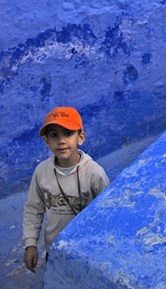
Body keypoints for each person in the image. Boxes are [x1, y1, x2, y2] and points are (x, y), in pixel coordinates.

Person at [22, 106, 109, 272]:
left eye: (68, 133)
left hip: (88, 250)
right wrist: (30, 244)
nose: (61, 141)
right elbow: (33, 209)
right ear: (46, 141)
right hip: (55, 249)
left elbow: (107, 211)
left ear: (80, 138)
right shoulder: (41, 172)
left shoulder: (94, 172)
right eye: (54, 135)